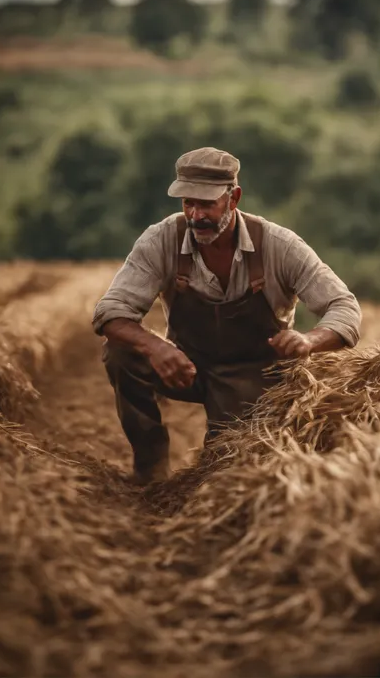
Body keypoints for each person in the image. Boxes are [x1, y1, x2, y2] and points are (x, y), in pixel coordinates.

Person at [93, 147, 361, 484]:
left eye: (206, 204)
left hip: (255, 376)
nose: (196, 215)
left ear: (233, 198)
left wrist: (309, 340)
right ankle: (150, 465)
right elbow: (110, 312)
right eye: (188, 202)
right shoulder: (162, 239)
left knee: (225, 475)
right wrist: (156, 347)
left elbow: (345, 308)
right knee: (120, 352)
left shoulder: (280, 246)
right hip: (187, 366)